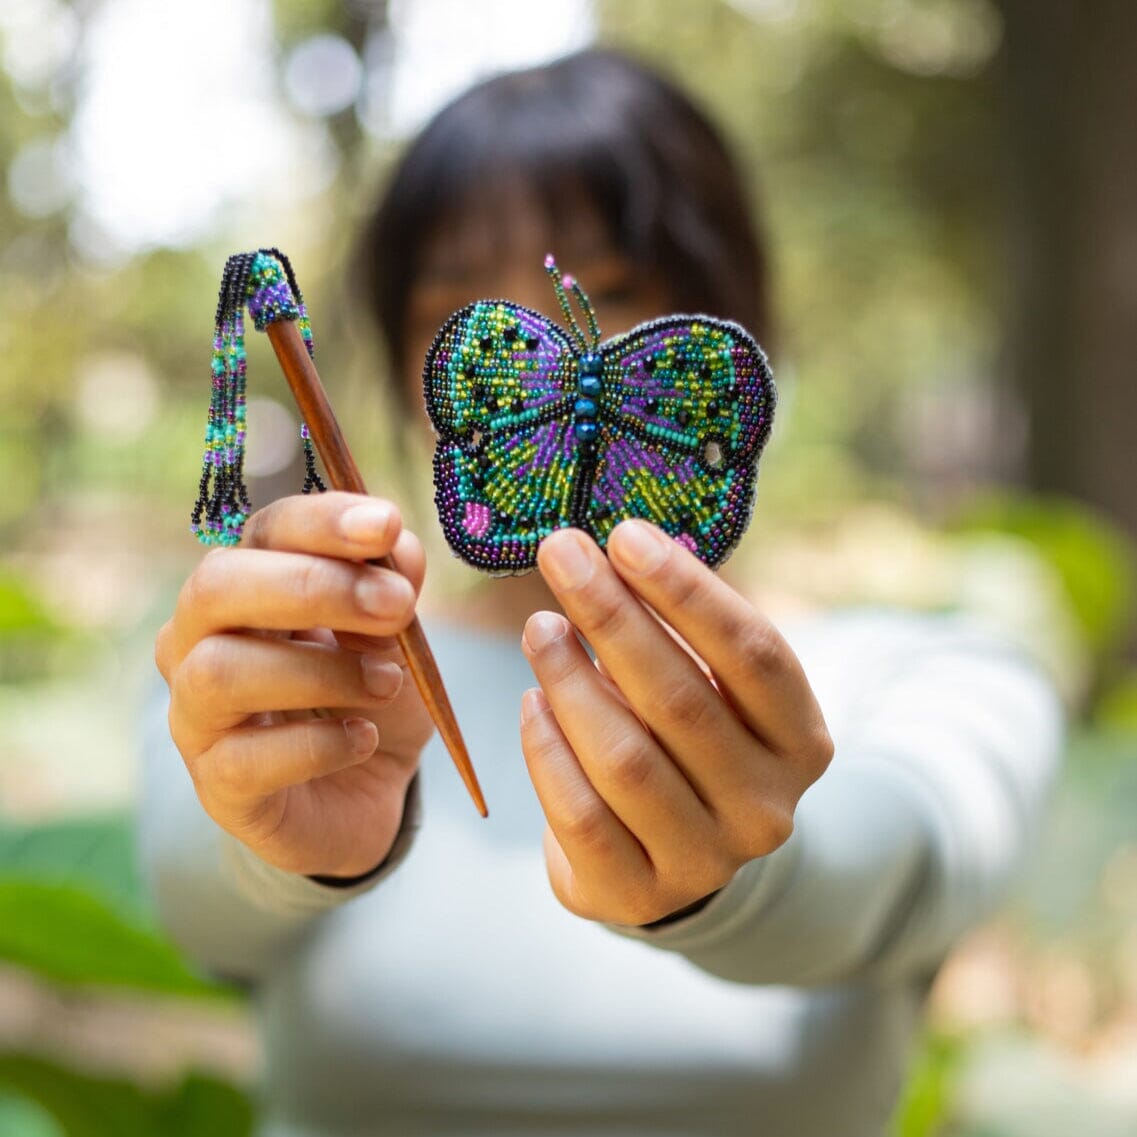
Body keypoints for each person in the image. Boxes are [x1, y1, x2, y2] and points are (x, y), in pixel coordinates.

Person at [144, 49, 1062, 1137]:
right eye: (459, 306)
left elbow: (895, 865)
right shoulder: (291, 660)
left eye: (612, 288)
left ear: (734, 327)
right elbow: (195, 908)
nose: (534, 338)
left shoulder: (933, 671)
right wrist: (285, 841)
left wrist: (730, 880)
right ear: (409, 363)